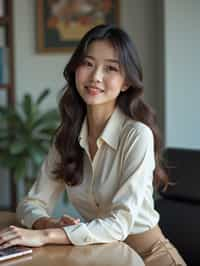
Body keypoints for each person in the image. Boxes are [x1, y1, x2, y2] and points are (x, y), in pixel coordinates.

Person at [0, 24, 186, 266]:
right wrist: (46, 223)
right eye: (88, 63)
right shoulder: (67, 136)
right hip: (102, 257)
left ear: (126, 82)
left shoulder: (137, 135)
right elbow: (32, 202)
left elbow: (119, 224)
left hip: (151, 257)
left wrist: (45, 236)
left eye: (110, 68)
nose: (95, 76)